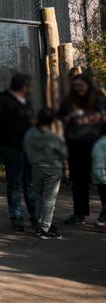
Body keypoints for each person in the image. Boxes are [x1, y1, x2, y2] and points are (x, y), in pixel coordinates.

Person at [0, 73, 37, 231]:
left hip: (28, 149)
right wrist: (9, 135)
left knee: (30, 184)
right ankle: (17, 217)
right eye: (29, 85)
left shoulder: (26, 102)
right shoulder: (3, 102)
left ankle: (36, 216)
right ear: (22, 87)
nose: (31, 88)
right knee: (15, 184)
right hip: (12, 149)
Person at [57, 73, 106, 225]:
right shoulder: (70, 101)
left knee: (102, 181)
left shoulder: (99, 100)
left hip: (97, 147)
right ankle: (79, 213)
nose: (77, 88)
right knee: (78, 181)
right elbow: (60, 114)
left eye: (81, 85)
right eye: (75, 85)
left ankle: (105, 214)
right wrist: (65, 118)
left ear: (88, 86)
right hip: (76, 147)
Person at [22, 108, 68, 239]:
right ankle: (45, 229)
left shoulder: (31, 133)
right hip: (52, 168)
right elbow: (63, 153)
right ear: (51, 121)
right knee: (49, 199)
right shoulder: (53, 136)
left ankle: (39, 224)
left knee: (39, 197)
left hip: (36, 167)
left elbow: (25, 147)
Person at [92, 133, 106, 232]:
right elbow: (98, 163)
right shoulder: (102, 142)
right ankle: (101, 221)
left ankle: (102, 221)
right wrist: (103, 178)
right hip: (102, 176)